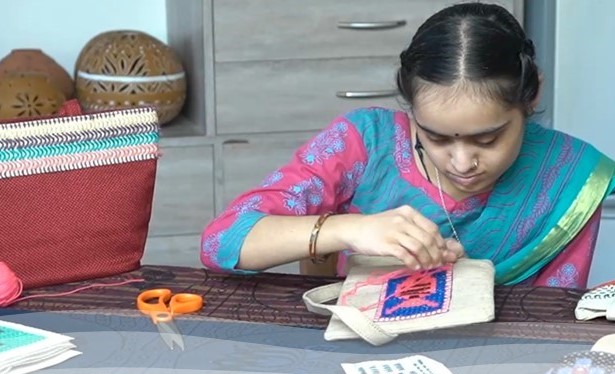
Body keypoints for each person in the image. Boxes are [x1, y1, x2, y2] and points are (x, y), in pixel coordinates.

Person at [200, 2, 615, 288]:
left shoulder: (573, 176)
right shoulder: (364, 142)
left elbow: (552, 315)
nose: (462, 163)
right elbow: (222, 242)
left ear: (531, 96)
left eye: (487, 139)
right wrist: (350, 229)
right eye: (434, 137)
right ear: (411, 110)